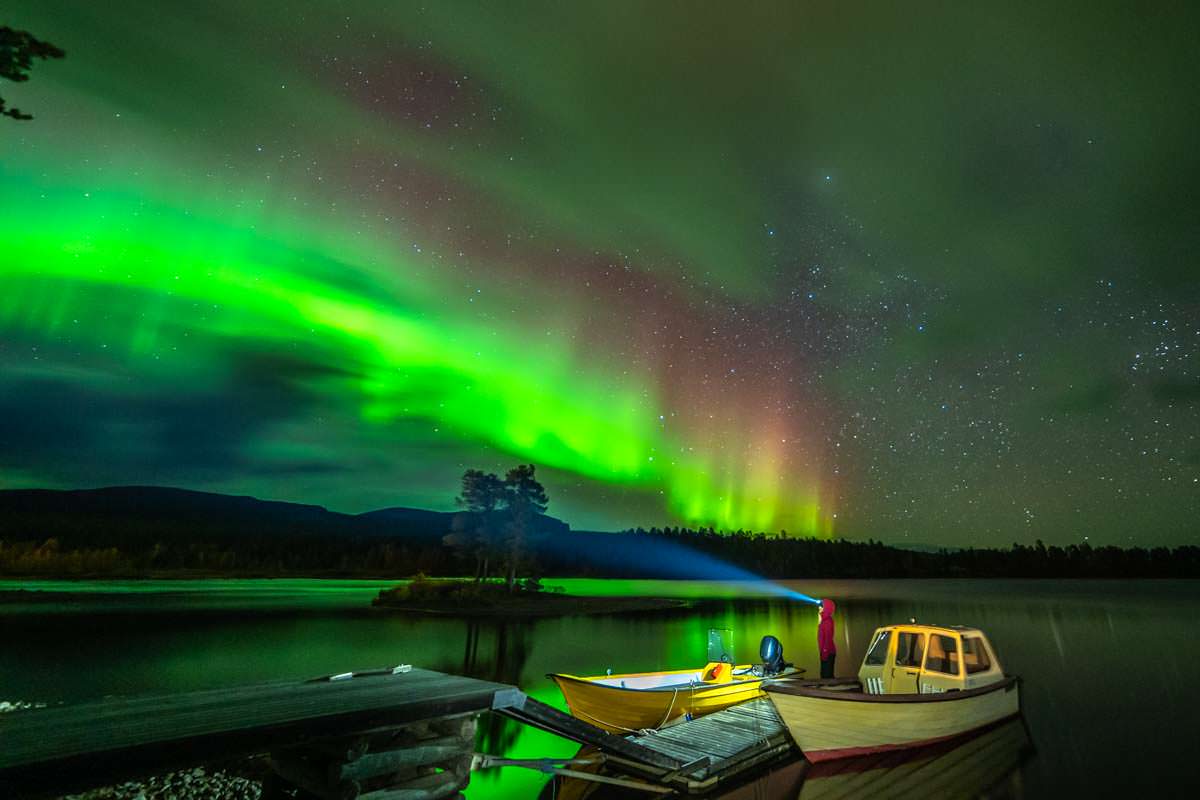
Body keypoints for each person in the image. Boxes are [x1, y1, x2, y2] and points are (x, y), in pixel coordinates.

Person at [817, 598, 836, 678]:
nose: (819, 608)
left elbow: (828, 638)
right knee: (825, 673)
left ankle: (830, 689)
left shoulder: (827, 621)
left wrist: (824, 652)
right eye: (819, 606)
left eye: (821, 606)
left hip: (828, 651)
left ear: (826, 608)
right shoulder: (824, 619)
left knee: (826, 675)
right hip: (826, 651)